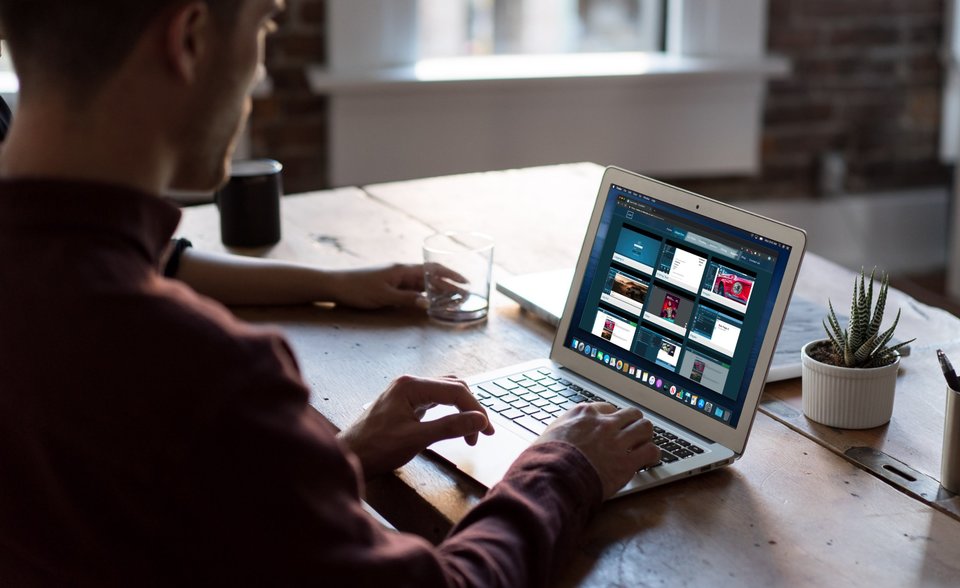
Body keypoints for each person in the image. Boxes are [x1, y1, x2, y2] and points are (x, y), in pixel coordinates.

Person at [0, 1, 660, 586]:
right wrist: (564, 467)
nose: (259, 80)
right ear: (191, 38)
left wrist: (327, 461)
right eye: (263, 23)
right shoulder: (200, 376)